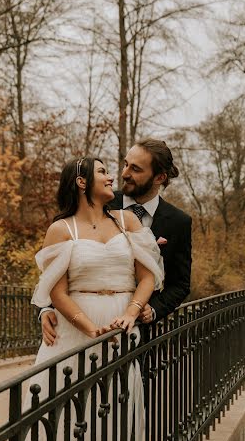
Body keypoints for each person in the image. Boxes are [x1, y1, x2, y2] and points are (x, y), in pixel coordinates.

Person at [0, 156, 164, 441]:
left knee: (114, 430)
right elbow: (55, 290)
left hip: (122, 331)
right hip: (77, 336)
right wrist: (91, 329)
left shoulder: (128, 221)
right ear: (82, 182)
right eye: (103, 171)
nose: (111, 177)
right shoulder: (61, 230)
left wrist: (131, 314)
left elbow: (148, 275)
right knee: (64, 438)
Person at [41, 139, 192, 345]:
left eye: (135, 169)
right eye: (125, 164)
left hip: (136, 329)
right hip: (78, 323)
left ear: (159, 177)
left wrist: (151, 310)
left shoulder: (178, 222)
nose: (123, 174)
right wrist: (46, 308)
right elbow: (57, 270)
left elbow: (180, 283)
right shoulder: (100, 199)